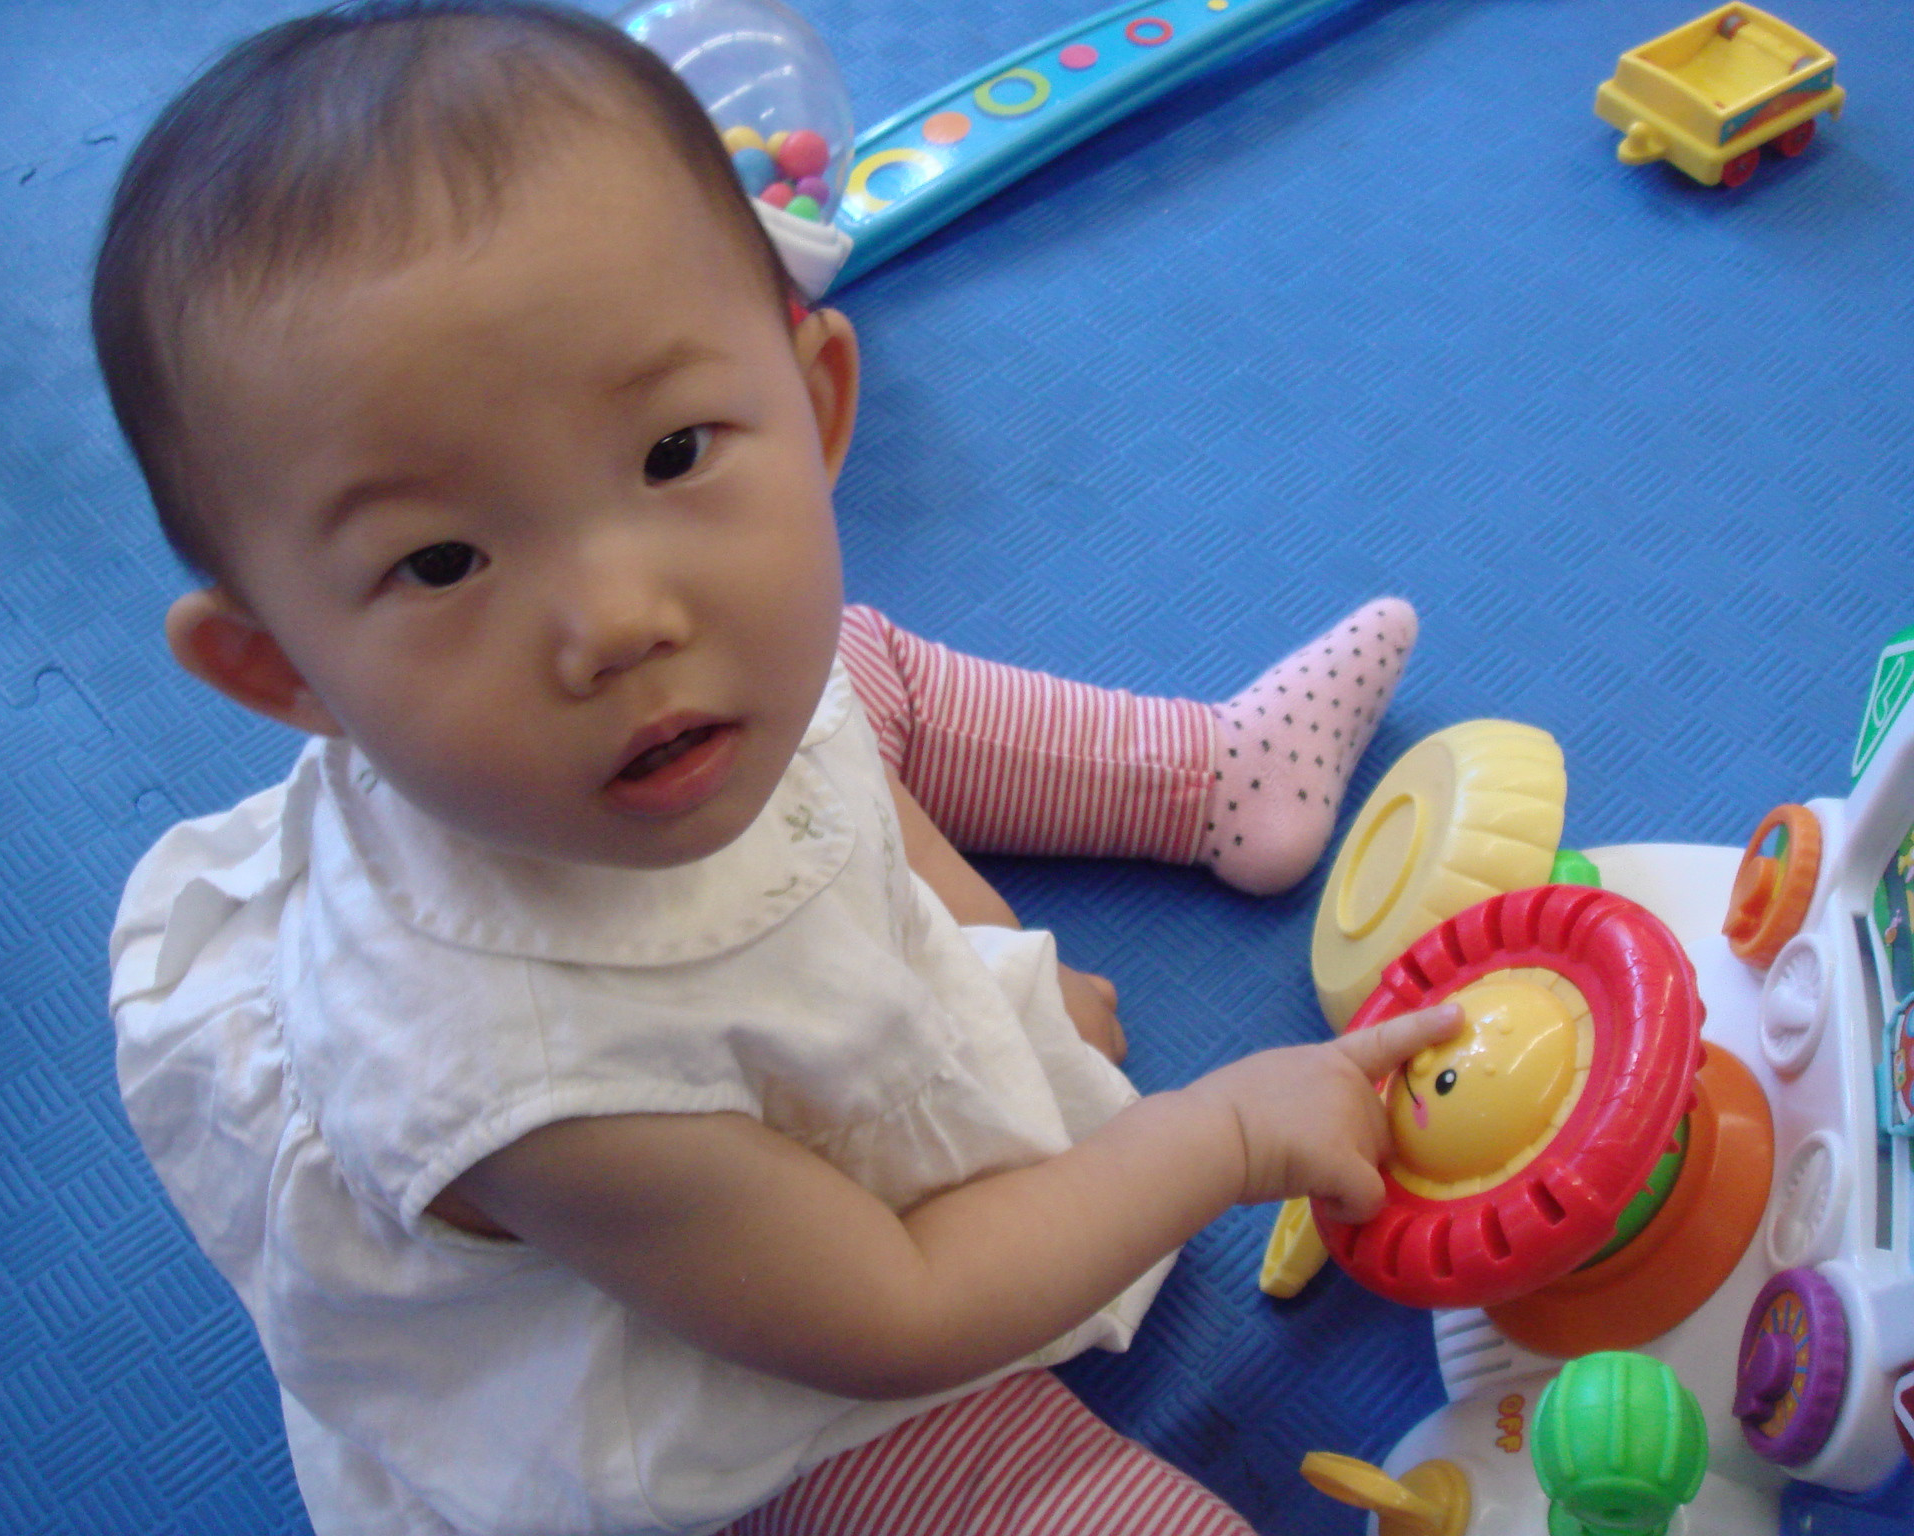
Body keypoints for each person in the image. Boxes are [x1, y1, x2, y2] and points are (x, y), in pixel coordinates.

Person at [97, 4, 1457, 1533]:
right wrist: (1220, 1136)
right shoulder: (529, 1080)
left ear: (815, 411)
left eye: (673, 454)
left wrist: (989, 955)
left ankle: (1208, 774)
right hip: (772, 1348)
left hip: (794, 1100)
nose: (620, 620)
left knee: (858, 676)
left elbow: (845, 787)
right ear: (282, 671)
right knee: (1024, 1489)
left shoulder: (672, 698)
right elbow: (907, 1305)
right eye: (441, 561)